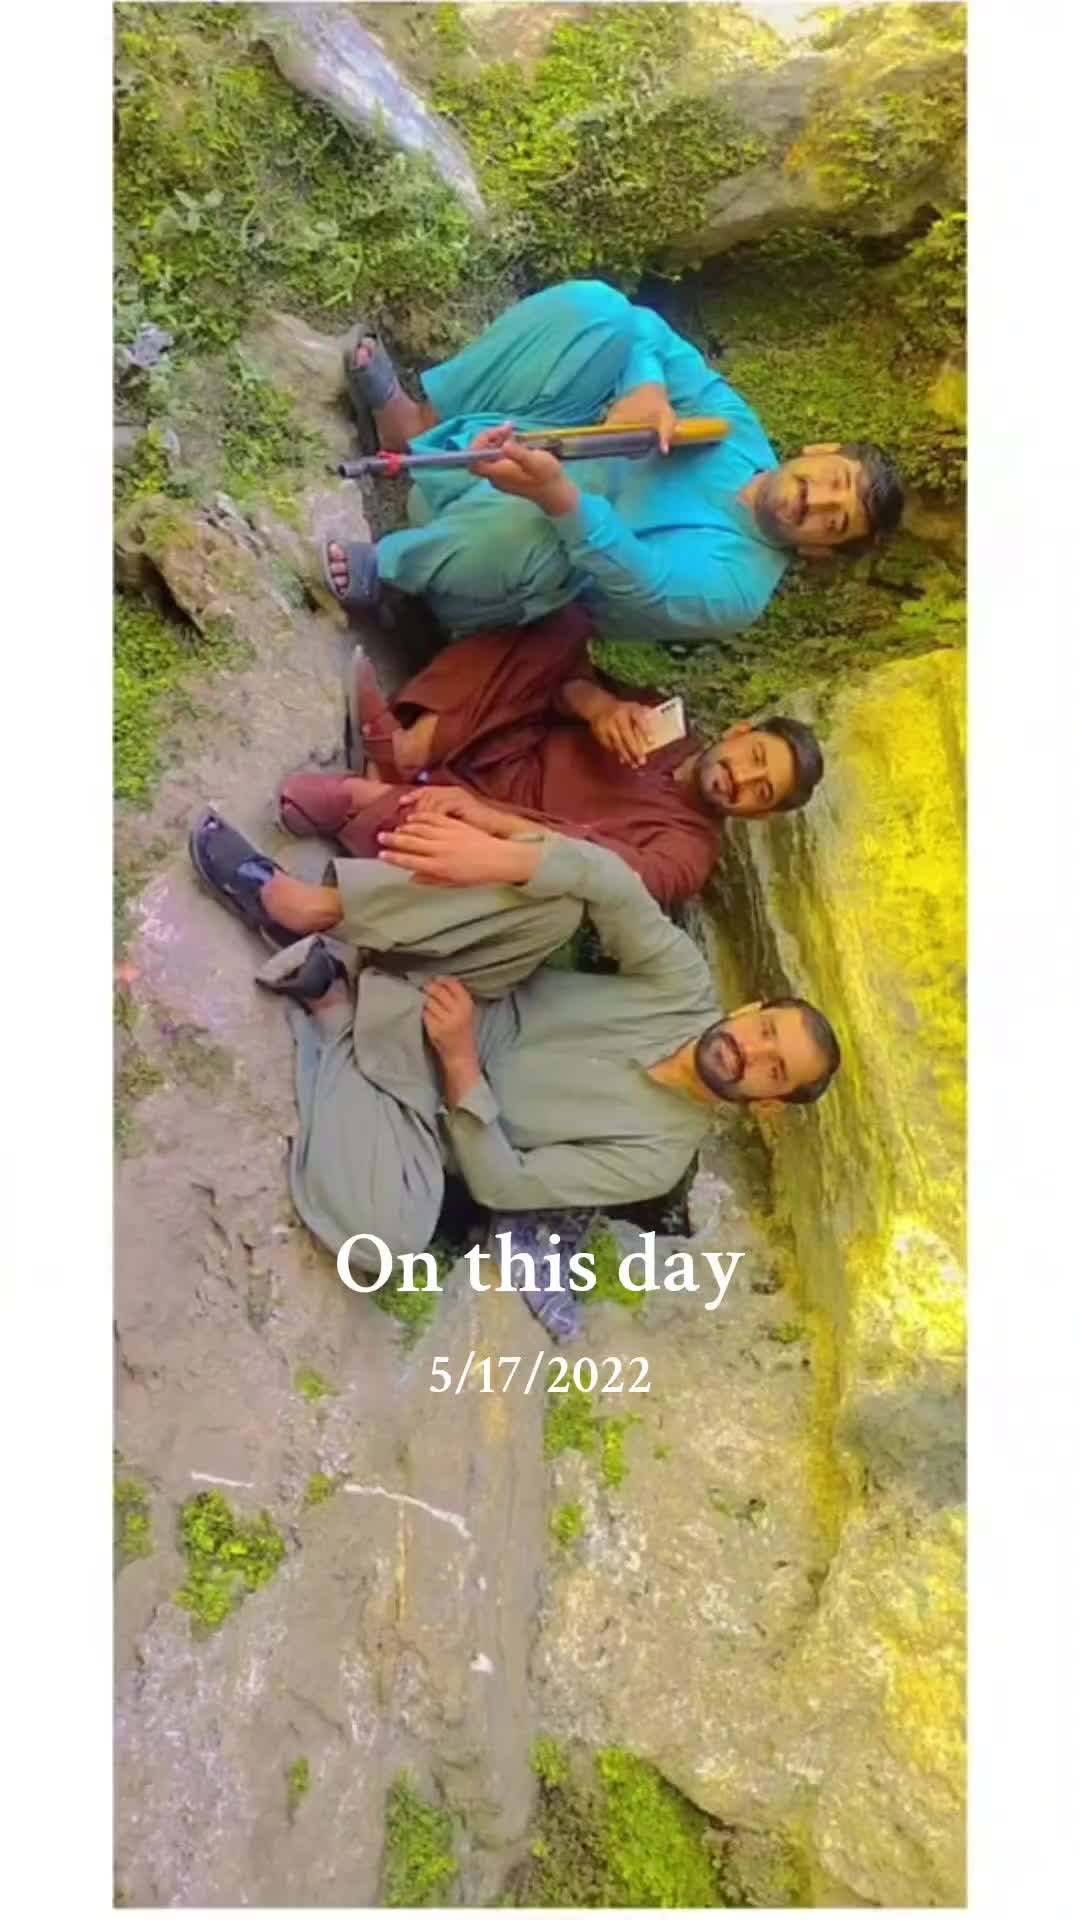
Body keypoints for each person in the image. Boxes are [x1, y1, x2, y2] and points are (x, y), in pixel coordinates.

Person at [188, 805, 841, 1275]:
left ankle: (332, 1004)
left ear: (767, 1103)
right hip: (459, 982)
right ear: (750, 1009)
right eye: (765, 1031)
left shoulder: (659, 1159)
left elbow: (507, 1185)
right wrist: (500, 851)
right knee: (557, 894)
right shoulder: (685, 984)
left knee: (386, 1239)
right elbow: (611, 882)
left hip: (425, 1105)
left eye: (774, 1069)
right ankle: (304, 908)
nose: (751, 1051)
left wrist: (460, 1065)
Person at [323, 279, 904, 645]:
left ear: (819, 551)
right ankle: (412, 424)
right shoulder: (739, 434)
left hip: (512, 561)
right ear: (819, 452)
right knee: (602, 313)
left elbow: (636, 576)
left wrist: (558, 496)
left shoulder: (739, 591)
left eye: (833, 521)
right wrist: (647, 386)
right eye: (834, 481)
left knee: (548, 542)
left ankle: (392, 570)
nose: (815, 499)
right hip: (517, 447)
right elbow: (647, 330)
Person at [278, 611, 824, 912]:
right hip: (494, 745)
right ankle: (406, 752)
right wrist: (599, 707)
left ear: (757, 814)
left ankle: (372, 802)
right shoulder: (669, 726)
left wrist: (485, 816)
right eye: (755, 758)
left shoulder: (689, 855)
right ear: (739, 733)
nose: (741, 778)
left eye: (761, 791)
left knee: (562, 863)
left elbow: (594, 871)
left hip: (490, 830)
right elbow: (562, 685)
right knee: (565, 629)